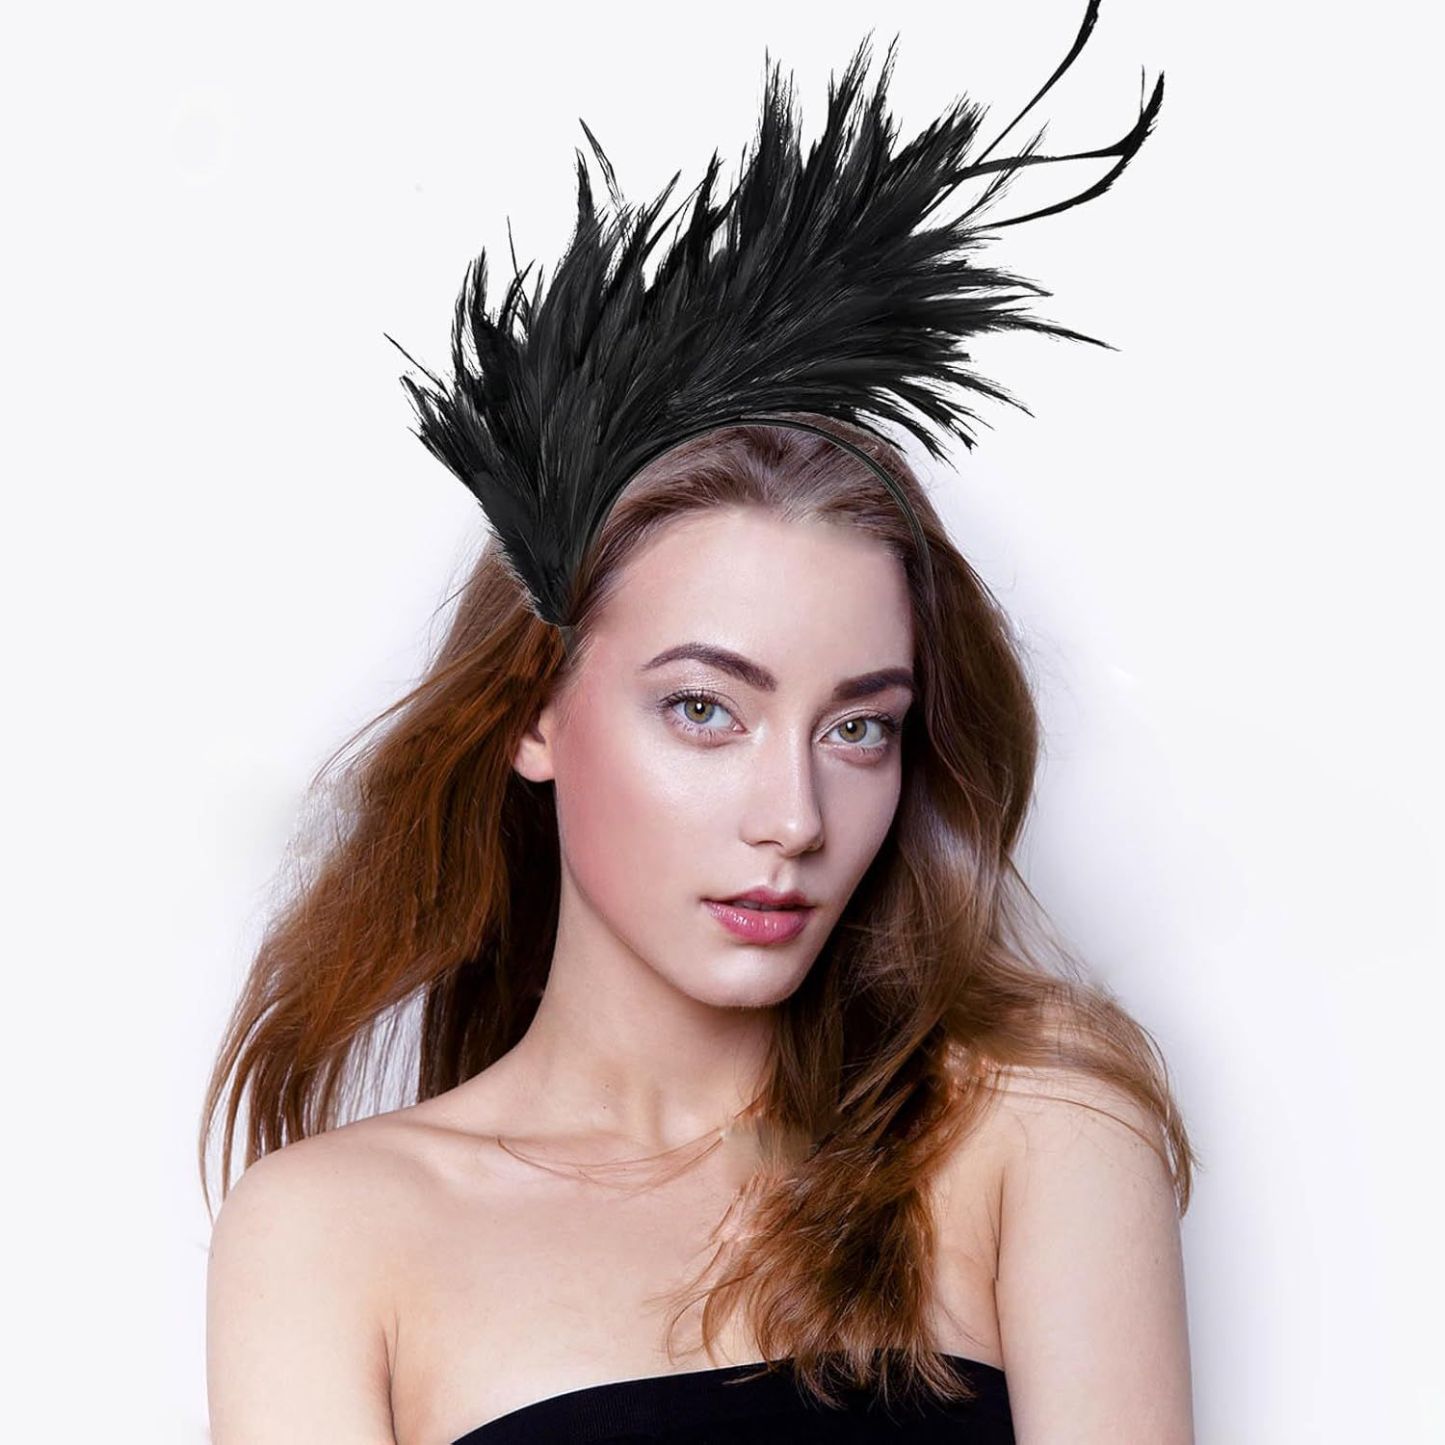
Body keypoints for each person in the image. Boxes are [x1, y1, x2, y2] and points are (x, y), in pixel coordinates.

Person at [200, 6, 1196, 1441]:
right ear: (533, 712)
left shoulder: (1030, 1132)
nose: (792, 818)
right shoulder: (335, 1230)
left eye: (858, 728)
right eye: (703, 709)